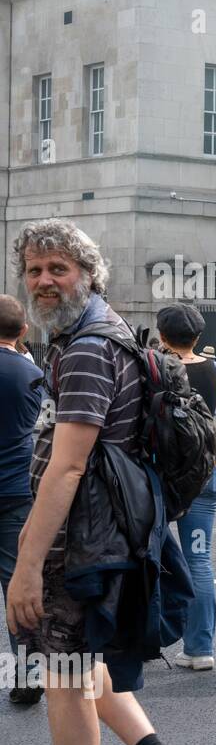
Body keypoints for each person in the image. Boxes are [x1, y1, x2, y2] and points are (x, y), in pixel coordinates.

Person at [4, 218, 197, 745]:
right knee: (83, 667)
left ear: (88, 274)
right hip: (104, 536)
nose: (44, 280)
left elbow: (67, 466)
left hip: (78, 544)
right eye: (34, 270)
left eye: (58, 268)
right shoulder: (102, 335)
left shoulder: (87, 347)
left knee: (61, 678)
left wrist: (26, 568)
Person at [156, 305, 216, 671]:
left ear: (162, 335)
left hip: (161, 478)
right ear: (198, 336)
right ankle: (200, 648)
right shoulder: (214, 368)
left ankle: (150, 637)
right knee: (199, 557)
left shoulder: (155, 366)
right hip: (203, 472)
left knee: (148, 556)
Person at [0, 294, 44, 704]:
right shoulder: (31, 373)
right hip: (16, 487)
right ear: (24, 331)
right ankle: (28, 676)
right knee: (17, 585)